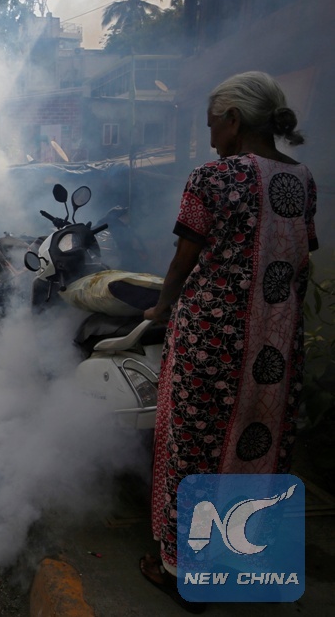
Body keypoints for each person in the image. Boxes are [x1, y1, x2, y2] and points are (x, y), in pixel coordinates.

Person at [140, 71, 317, 613]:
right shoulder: (302, 178)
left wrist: (161, 308)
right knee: (257, 445)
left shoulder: (212, 178)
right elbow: (301, 256)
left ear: (234, 120)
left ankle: (183, 573)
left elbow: (184, 259)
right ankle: (244, 557)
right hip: (276, 345)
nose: (211, 136)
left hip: (212, 342)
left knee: (192, 448)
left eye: (212, 124)